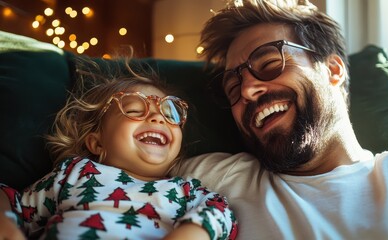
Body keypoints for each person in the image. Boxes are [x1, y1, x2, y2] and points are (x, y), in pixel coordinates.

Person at [172, 0, 388, 239]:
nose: (247, 91)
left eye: (270, 63)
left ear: (333, 70)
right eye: (232, 89)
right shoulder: (218, 177)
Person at [0, 61, 238, 240]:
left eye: (170, 115)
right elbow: (13, 202)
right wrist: (6, 222)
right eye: (135, 110)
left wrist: (192, 232)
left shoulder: (184, 190)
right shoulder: (73, 173)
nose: (157, 118)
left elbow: (221, 213)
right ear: (97, 143)